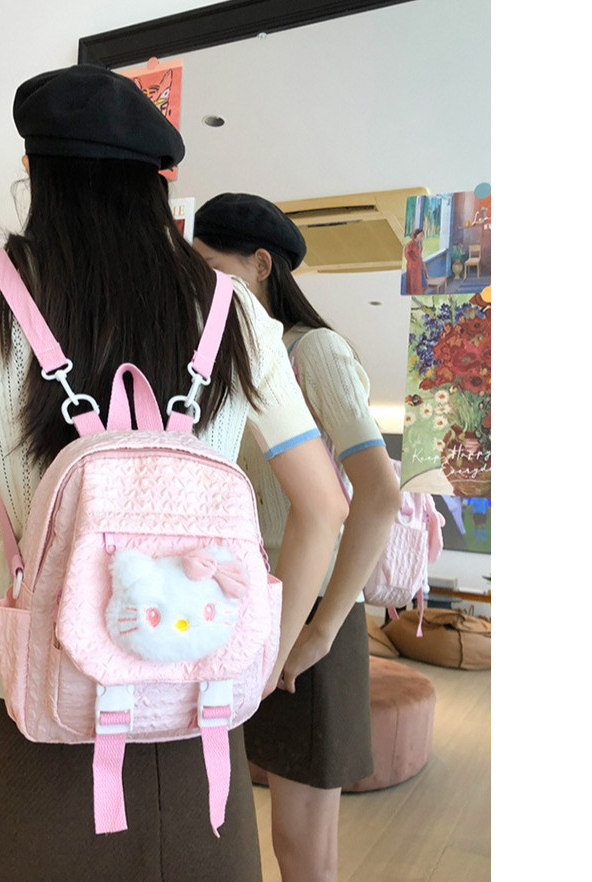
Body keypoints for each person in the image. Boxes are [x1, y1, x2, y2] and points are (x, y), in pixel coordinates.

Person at [0, 66, 348, 881]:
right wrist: (258, 664)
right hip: (198, 729)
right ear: (162, 183)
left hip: (29, 727)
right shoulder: (234, 312)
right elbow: (325, 507)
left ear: (34, 171)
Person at [192, 192, 402, 882]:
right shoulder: (227, 359)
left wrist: (320, 632)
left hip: (312, 614)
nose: (201, 286)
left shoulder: (314, 351)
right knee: (254, 826)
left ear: (261, 266)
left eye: (211, 268)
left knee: (303, 848)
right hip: (243, 605)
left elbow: (378, 493)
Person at [404, 227, 427, 294]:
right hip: (412, 266)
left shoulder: (420, 243)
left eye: (422, 235)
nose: (421, 237)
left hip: (418, 265)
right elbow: (406, 254)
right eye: (420, 235)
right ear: (416, 235)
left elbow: (419, 254)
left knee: (420, 282)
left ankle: (420, 292)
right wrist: (413, 262)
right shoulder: (410, 244)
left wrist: (422, 263)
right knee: (413, 282)